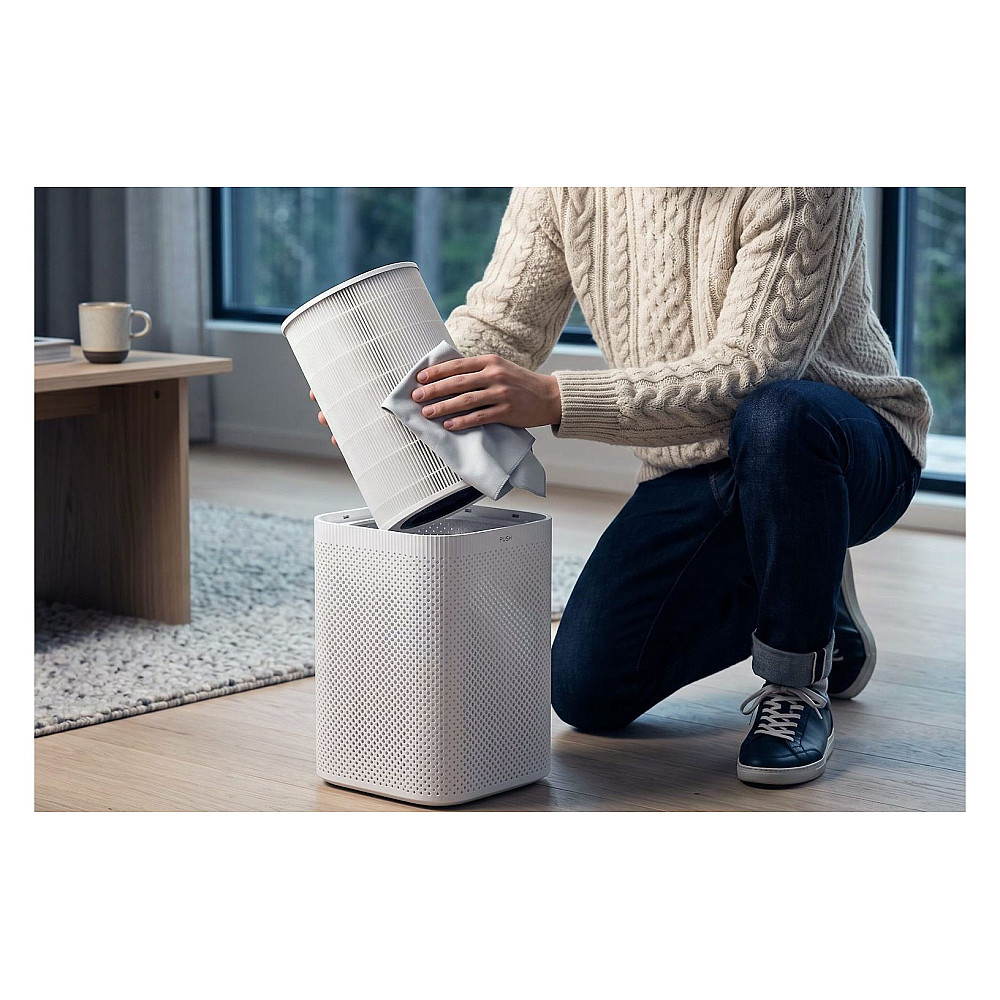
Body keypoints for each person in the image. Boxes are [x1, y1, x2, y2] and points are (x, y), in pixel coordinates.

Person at [313, 187, 932, 787]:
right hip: (694, 466)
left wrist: (555, 398)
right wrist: (400, 400)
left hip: (837, 448)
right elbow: (502, 324)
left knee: (778, 419)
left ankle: (798, 677)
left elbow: (752, 372)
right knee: (588, 691)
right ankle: (809, 578)